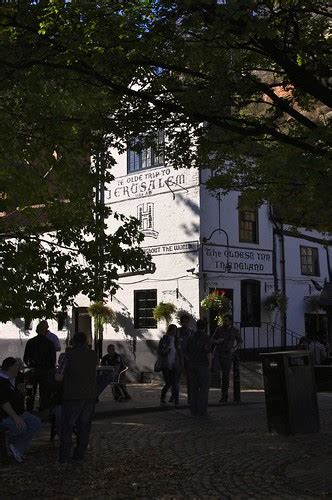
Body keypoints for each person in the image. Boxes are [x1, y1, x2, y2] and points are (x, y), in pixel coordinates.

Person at [56, 331, 97, 464]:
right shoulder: (93, 355)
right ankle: (79, 455)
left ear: (73, 342)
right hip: (89, 395)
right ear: (86, 342)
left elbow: (59, 377)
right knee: (84, 427)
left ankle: (64, 457)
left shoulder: (67, 356)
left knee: (67, 427)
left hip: (72, 396)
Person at [0, 357, 41, 463]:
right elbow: (4, 403)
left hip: (20, 412)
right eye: (17, 367)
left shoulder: (16, 378)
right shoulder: (2, 382)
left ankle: (16, 447)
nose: (19, 369)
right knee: (20, 427)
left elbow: (26, 389)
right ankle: (14, 447)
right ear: (11, 368)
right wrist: (16, 417)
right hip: (5, 415)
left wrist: (23, 393)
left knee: (35, 423)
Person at [23, 321, 56, 411]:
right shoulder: (50, 343)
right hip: (45, 371)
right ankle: (43, 409)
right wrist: (49, 369)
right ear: (45, 331)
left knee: (30, 391)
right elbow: (53, 360)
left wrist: (30, 366)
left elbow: (25, 358)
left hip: (33, 370)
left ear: (37, 330)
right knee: (44, 392)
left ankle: (29, 409)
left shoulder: (31, 342)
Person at [211, 314, 243, 403]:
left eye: (226, 321)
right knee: (215, 372)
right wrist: (217, 341)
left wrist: (234, 348)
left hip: (228, 354)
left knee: (225, 376)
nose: (224, 322)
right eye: (223, 320)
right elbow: (212, 339)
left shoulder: (234, 330)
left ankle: (224, 396)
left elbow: (240, 341)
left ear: (230, 321)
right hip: (218, 353)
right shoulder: (219, 329)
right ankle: (216, 391)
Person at [185, 319, 212, 417]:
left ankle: (193, 409)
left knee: (194, 388)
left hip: (192, 365)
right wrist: (210, 364)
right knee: (204, 389)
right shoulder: (206, 337)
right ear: (205, 327)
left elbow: (186, 352)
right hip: (203, 365)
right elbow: (208, 352)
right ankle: (202, 410)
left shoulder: (191, 337)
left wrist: (190, 360)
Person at [158, 324, 183, 406]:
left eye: (176, 331)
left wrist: (181, 362)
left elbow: (179, 352)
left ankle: (176, 400)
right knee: (168, 382)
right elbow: (160, 351)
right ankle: (163, 397)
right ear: (170, 330)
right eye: (173, 330)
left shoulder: (176, 340)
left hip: (175, 363)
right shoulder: (164, 339)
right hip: (166, 364)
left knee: (175, 382)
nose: (175, 332)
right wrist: (166, 350)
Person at [174, 314, 193, 404]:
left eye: (186, 322)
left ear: (188, 322)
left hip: (188, 358)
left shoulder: (191, 332)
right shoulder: (177, 331)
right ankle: (175, 397)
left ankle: (190, 397)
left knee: (189, 379)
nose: (185, 324)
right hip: (178, 357)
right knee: (176, 378)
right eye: (183, 322)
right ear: (181, 322)